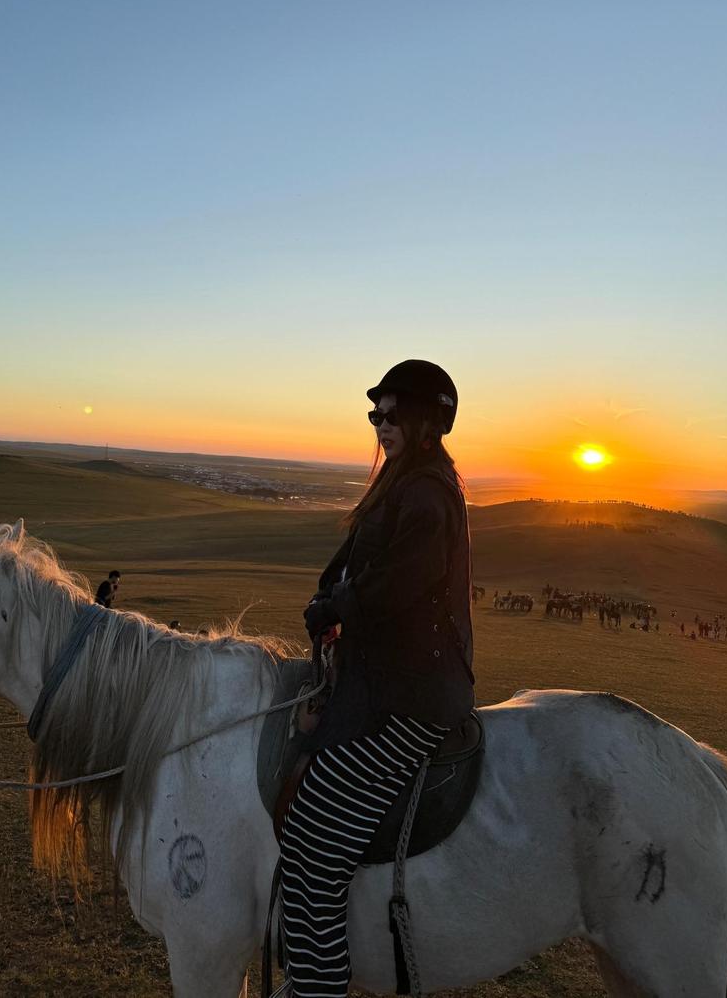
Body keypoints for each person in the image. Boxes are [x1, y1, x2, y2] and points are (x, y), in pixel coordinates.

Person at [279, 360, 475, 998]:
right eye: (375, 415)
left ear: (426, 422)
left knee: (311, 840)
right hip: (379, 683)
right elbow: (355, 559)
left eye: (391, 414)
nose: (380, 425)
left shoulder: (428, 494)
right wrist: (325, 592)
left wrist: (341, 607)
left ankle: (320, 988)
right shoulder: (399, 482)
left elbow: (402, 582)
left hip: (414, 698)